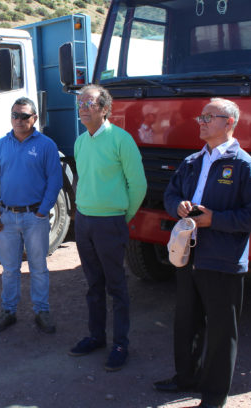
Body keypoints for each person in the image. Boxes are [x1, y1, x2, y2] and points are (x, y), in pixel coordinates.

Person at [156, 98, 251, 408]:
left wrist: (215, 220)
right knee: (186, 322)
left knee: (221, 331)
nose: (202, 122)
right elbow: (170, 194)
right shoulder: (192, 161)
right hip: (188, 256)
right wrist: (177, 206)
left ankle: (213, 396)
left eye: (210, 117)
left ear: (229, 123)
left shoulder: (246, 166)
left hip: (222, 261)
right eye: (202, 117)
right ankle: (185, 378)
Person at [67, 84, 147, 371]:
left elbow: (138, 185)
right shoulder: (80, 142)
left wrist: (120, 218)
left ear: (104, 108)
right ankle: (96, 336)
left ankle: (120, 343)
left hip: (110, 223)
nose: (83, 108)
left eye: (89, 103)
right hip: (85, 221)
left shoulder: (121, 140)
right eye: (80, 103)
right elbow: (83, 180)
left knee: (117, 287)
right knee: (93, 285)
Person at [0, 97, 62, 334]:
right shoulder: (0, 145)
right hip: (6, 217)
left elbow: (55, 180)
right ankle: (8, 311)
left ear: (34, 118)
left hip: (34, 217)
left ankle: (42, 311)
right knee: (9, 269)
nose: (19, 120)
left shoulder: (46, 145)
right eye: (15, 115)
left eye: (24, 116)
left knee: (38, 267)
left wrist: (43, 210)